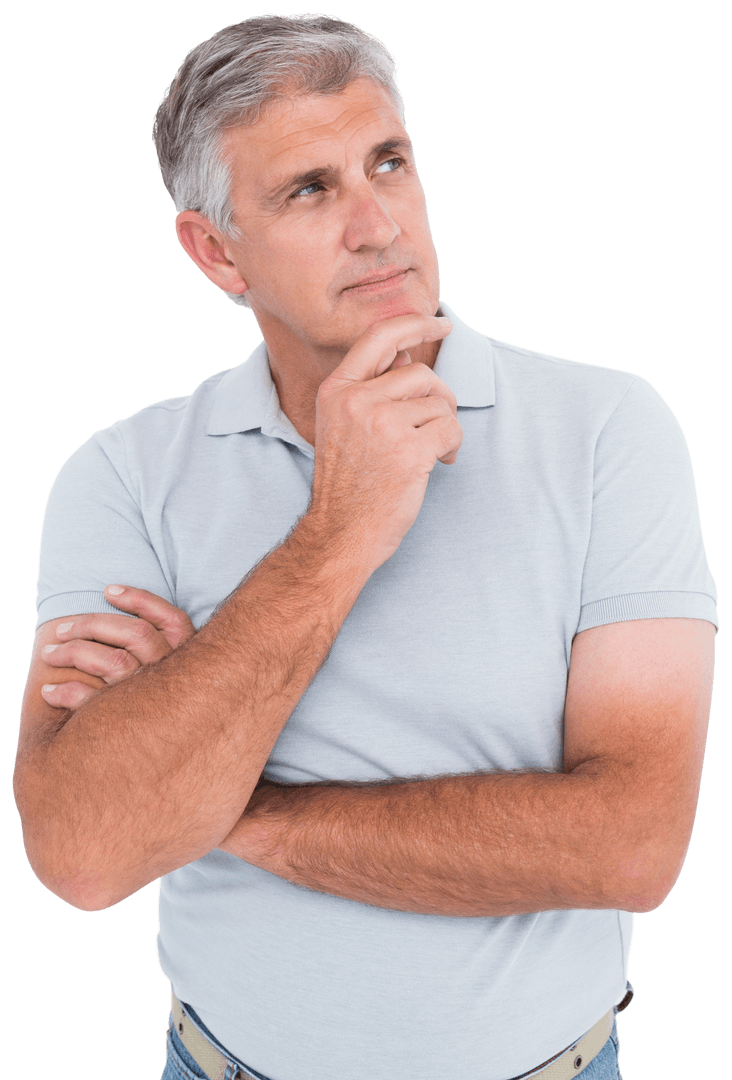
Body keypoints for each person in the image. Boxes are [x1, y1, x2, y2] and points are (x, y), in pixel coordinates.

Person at [13, 13, 718, 1080]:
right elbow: (82, 854)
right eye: (309, 189)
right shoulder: (125, 476)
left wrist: (213, 805)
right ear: (216, 253)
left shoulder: (610, 429)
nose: (379, 222)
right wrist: (338, 533)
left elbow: (630, 846)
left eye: (389, 161)